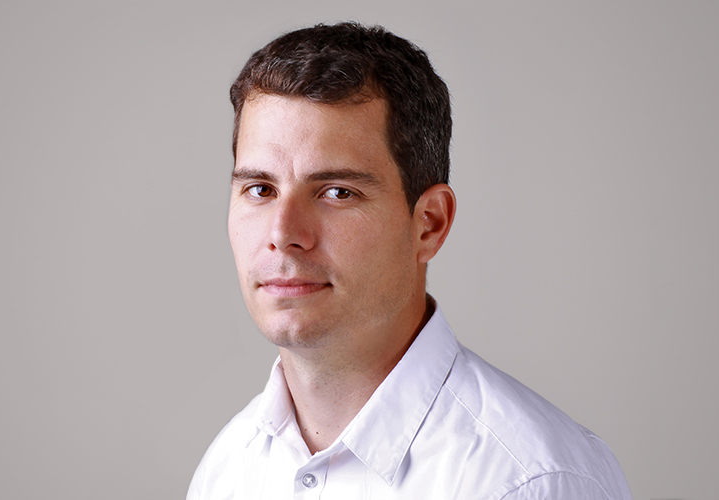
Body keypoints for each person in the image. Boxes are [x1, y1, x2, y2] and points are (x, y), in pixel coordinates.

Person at [187, 23, 632, 500]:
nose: (282, 234)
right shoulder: (228, 470)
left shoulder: (530, 481)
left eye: (338, 192)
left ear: (429, 224)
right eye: (260, 189)